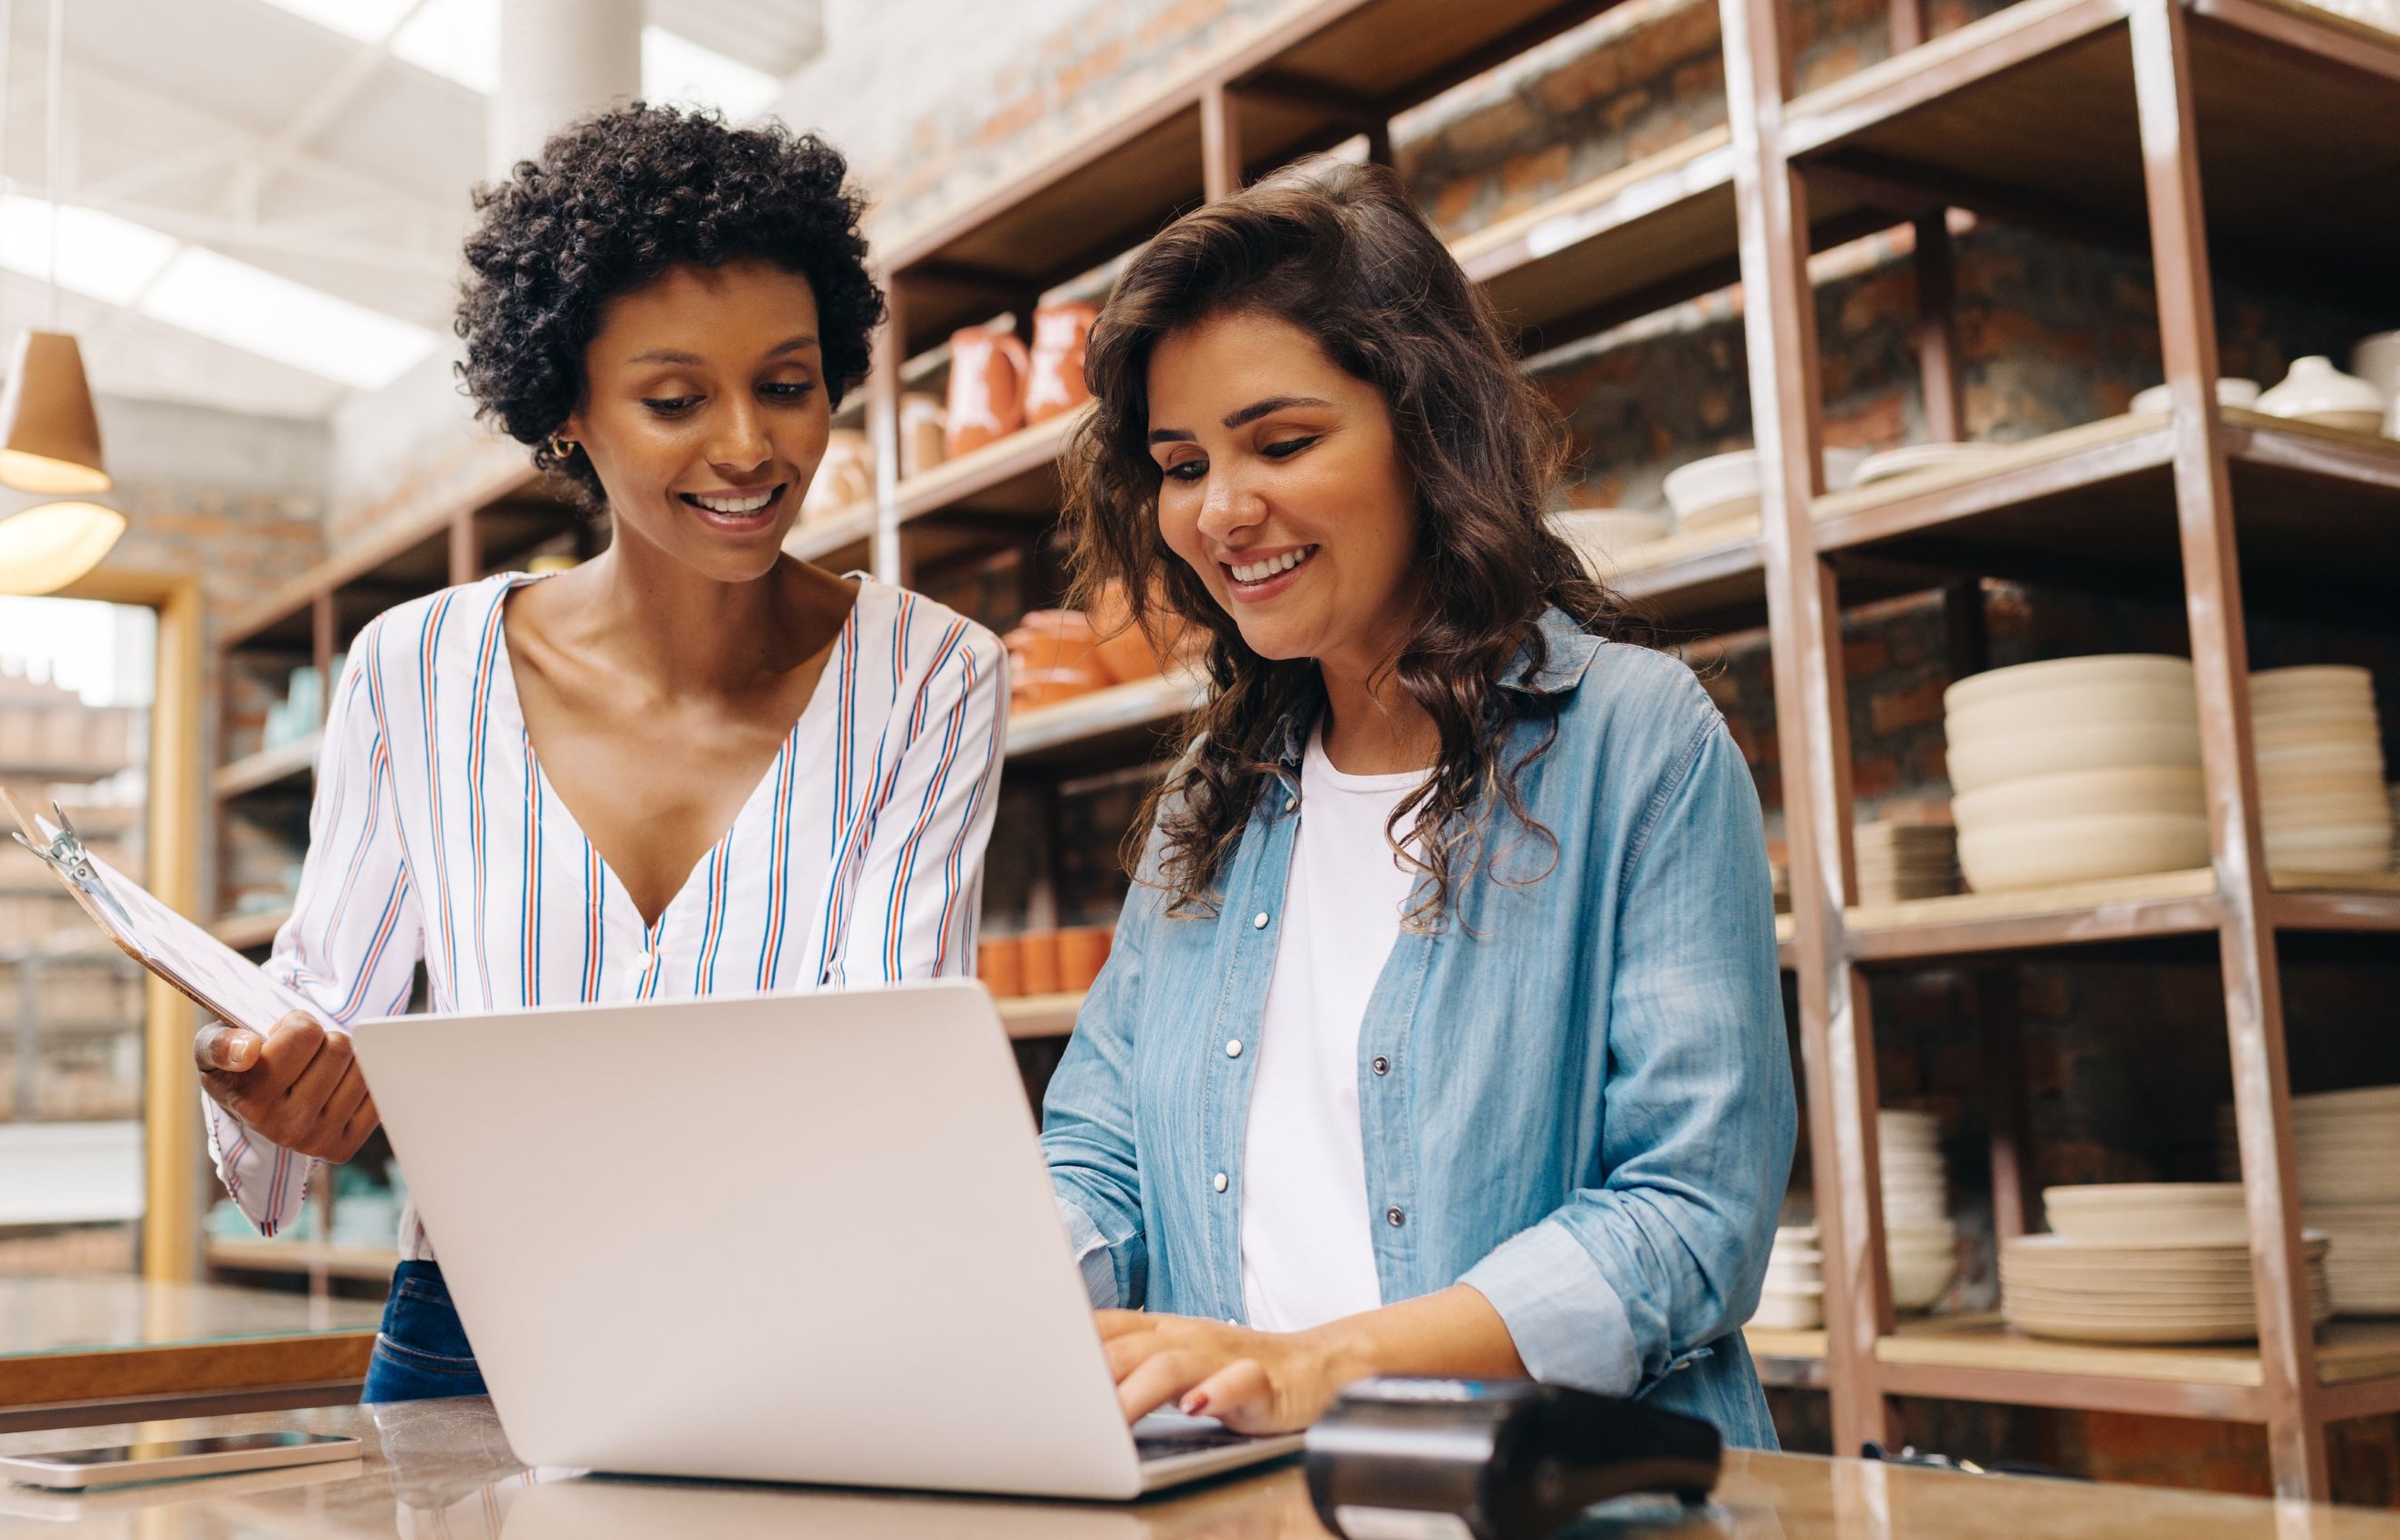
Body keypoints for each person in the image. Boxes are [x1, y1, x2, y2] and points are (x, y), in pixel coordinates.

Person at [192, 105, 1007, 1405]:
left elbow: (892, 1068)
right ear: (567, 408)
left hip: (803, 1323)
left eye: (788, 385)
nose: (749, 445)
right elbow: (318, 1008)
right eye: (676, 398)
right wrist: (261, 1081)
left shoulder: (931, 677)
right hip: (471, 1327)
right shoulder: (415, 672)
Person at [1040, 162, 1793, 1446]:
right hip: (1257, 1496)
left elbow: (1687, 1217)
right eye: (1181, 462)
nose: (1222, 510)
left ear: (1427, 432)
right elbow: (1102, 1160)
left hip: (1548, 1499)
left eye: (1282, 442)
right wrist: (974, 1297)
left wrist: (1322, 1367)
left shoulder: (1636, 741)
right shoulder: (1203, 806)